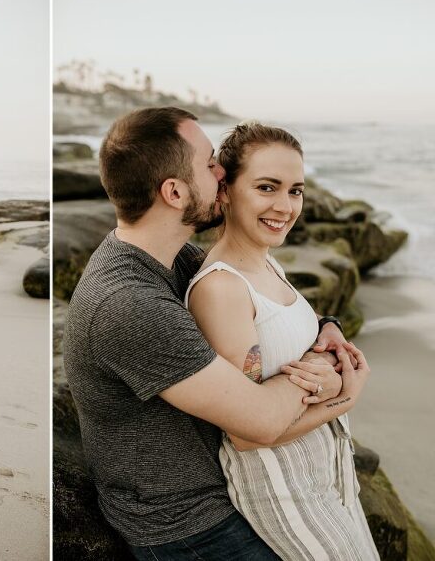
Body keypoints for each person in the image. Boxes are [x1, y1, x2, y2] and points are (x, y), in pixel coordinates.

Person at [63, 106, 370, 560]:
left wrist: (327, 327)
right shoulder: (128, 303)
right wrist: (334, 378)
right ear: (174, 191)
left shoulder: (175, 257)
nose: (221, 172)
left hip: (224, 489)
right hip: (190, 525)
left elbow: (268, 308)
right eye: (209, 164)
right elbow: (261, 421)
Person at [185, 122, 378, 560]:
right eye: (267, 187)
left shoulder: (268, 265)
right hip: (284, 490)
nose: (285, 206)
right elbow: (245, 436)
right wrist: (340, 400)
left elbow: (297, 344)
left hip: (324, 470)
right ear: (226, 190)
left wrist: (329, 332)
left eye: (295, 190)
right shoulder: (222, 289)